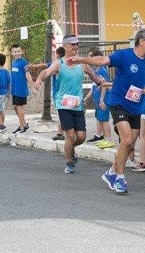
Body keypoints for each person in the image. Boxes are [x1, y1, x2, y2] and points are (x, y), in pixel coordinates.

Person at [68, 28, 145, 194]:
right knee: (126, 139)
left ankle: (111, 171)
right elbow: (103, 60)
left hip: (135, 107)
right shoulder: (124, 55)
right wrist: (81, 59)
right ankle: (119, 177)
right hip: (119, 103)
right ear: (142, 42)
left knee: (129, 143)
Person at [35, 34, 105, 174]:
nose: (75, 47)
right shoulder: (59, 63)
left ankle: (70, 149)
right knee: (70, 135)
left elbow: (93, 76)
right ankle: (69, 162)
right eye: (73, 44)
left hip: (77, 105)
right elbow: (46, 71)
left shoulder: (82, 63)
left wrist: (100, 82)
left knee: (81, 136)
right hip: (63, 104)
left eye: (77, 44)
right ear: (65, 46)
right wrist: (39, 79)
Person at [85, 49, 115, 149]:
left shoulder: (102, 70)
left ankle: (109, 140)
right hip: (98, 99)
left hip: (104, 99)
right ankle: (104, 139)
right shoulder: (96, 70)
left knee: (104, 120)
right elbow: (95, 86)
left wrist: (102, 100)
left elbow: (104, 86)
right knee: (100, 120)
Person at [10, 44, 35, 134]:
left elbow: (28, 75)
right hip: (14, 90)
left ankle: (21, 127)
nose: (17, 53)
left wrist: (33, 88)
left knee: (20, 107)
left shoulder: (24, 62)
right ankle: (24, 124)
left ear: (21, 51)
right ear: (12, 53)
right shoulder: (13, 63)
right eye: (15, 52)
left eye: (18, 51)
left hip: (21, 89)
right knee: (15, 107)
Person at [52, 46, 66, 141]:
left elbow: (45, 67)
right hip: (59, 92)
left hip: (59, 93)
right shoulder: (60, 63)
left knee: (61, 114)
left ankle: (63, 133)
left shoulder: (59, 64)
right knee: (59, 114)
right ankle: (60, 133)